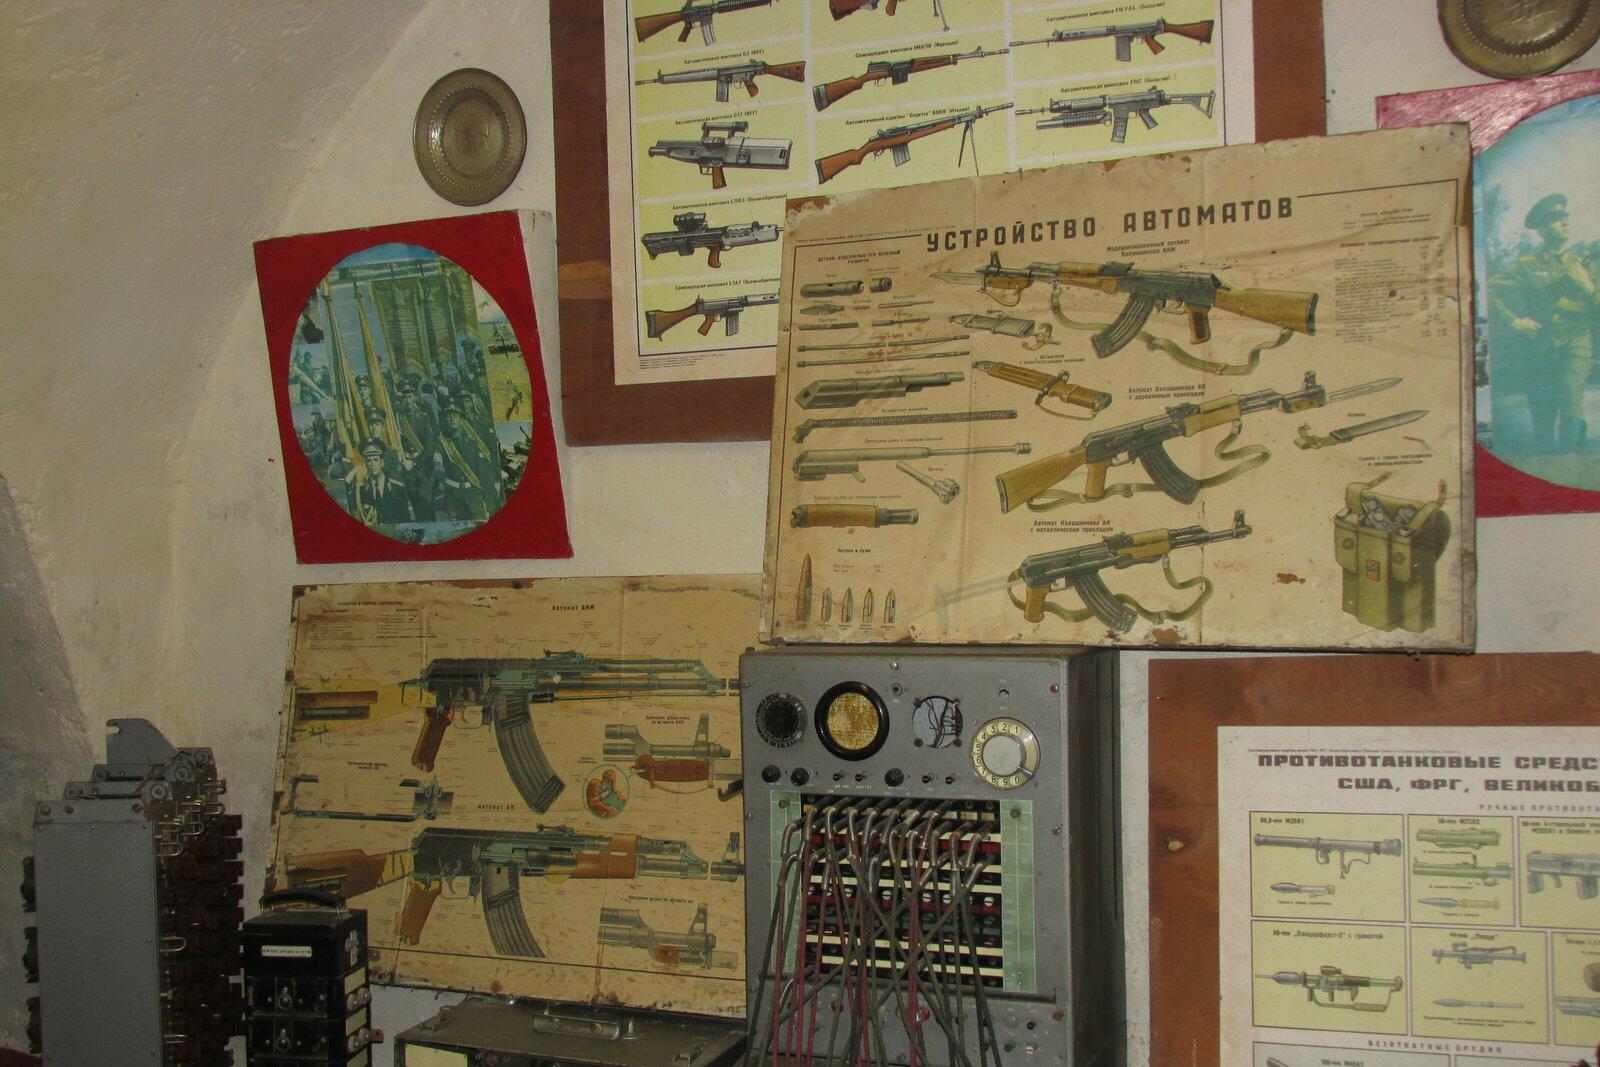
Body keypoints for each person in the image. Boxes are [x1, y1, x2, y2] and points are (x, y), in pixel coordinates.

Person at [1489, 193, 1598, 453]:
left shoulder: (1586, 261)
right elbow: (1490, 291)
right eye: (1556, 219)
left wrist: (1588, 287)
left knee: (1571, 391)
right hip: (1541, 342)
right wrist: (1514, 321)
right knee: (1542, 412)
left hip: (1577, 337)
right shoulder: (1526, 265)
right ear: (1541, 229)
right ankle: (1549, 449)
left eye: (1565, 217)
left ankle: (1572, 448)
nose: (1565, 222)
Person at [345, 438, 414, 526]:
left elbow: (406, 523)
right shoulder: (360, 490)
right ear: (365, 464)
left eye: (376, 459)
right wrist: (348, 483)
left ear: (382, 462)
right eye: (369, 460)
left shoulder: (397, 488)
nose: (373, 464)